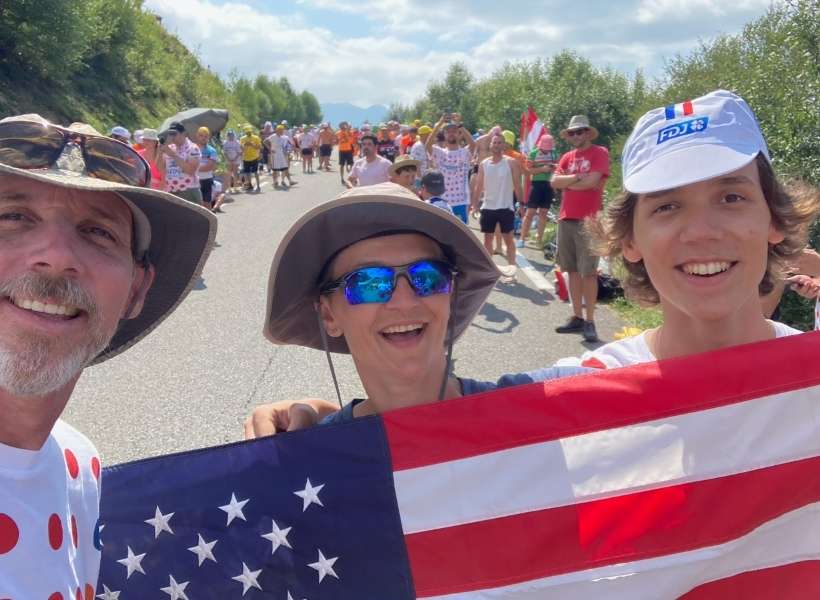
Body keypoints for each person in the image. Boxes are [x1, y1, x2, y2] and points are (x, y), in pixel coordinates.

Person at [0, 113, 215, 596]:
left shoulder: (80, 465)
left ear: (137, 289)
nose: (56, 256)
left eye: (99, 233)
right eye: (13, 217)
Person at [559, 89, 817, 368]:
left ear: (775, 219)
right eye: (667, 206)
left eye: (732, 198)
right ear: (630, 240)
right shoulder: (570, 399)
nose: (700, 231)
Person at [262, 183, 505, 421]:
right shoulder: (312, 455)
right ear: (329, 315)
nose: (405, 301)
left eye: (428, 276)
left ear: (450, 294)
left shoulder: (531, 408)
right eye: (369, 283)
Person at [551, 115, 610, 343]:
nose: (576, 136)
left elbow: (593, 182)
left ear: (587, 133)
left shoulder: (599, 153)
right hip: (567, 218)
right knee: (571, 270)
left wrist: (570, 182)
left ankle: (590, 320)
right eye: (572, 133)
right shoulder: (567, 157)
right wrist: (576, 177)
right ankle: (576, 316)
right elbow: (555, 182)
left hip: (589, 220)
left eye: (580, 131)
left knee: (589, 272)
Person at [471, 133, 524, 271]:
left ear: (504, 145)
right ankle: (490, 270)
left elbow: (518, 185)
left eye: (500, 142)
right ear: (490, 145)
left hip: (506, 207)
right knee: (488, 238)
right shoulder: (484, 163)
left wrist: (522, 204)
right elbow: (479, 186)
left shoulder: (511, 162)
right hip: (488, 207)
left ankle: (511, 269)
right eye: (494, 142)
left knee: (508, 239)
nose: (497, 145)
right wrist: (475, 205)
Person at [425, 115, 476, 224]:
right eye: (448, 131)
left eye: (454, 131)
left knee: (461, 234)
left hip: (461, 201)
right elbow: (428, 144)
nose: (451, 133)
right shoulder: (439, 152)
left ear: (459, 134)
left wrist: (460, 125)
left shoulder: (464, 152)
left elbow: (473, 145)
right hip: (442, 201)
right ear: (444, 135)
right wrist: (439, 123)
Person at [520, 132, 557, 248]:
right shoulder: (534, 153)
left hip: (549, 184)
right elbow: (528, 171)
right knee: (530, 212)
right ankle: (522, 238)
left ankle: (539, 239)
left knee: (543, 212)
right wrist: (542, 169)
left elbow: (557, 168)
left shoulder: (554, 154)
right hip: (536, 184)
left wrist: (553, 168)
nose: (546, 151)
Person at [156, 121, 203, 205]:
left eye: (175, 134)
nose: (172, 137)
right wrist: (160, 152)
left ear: (184, 133)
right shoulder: (170, 148)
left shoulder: (193, 148)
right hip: (171, 190)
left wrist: (173, 155)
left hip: (188, 190)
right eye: (170, 134)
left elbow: (190, 170)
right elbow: (160, 168)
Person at [196, 126, 218, 210]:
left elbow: (209, 167)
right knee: (196, 204)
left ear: (208, 137)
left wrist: (193, 167)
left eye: (205, 136)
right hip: (195, 180)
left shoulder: (212, 150)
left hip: (207, 180)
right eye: (201, 135)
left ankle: (209, 222)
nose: (203, 138)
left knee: (207, 203)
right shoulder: (192, 149)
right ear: (197, 136)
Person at [239, 125, 262, 192]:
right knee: (247, 173)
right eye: (247, 132)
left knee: (255, 172)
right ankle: (250, 185)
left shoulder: (256, 138)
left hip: (254, 157)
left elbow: (259, 147)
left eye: (249, 132)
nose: (248, 133)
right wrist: (245, 145)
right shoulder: (242, 139)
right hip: (246, 158)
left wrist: (253, 145)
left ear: (251, 131)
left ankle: (258, 186)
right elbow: (241, 149)